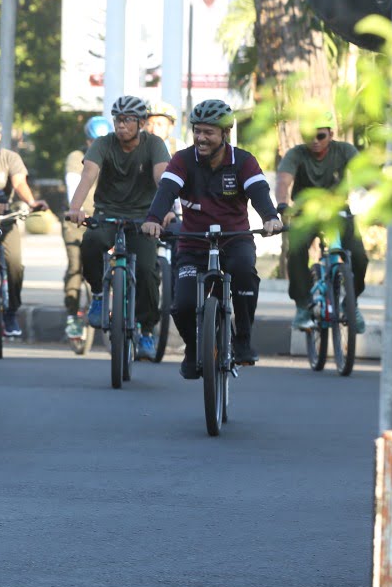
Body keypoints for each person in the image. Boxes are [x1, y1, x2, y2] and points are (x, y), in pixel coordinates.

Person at [142, 99, 284, 376]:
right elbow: (167, 190)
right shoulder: (183, 159)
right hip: (193, 241)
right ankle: (194, 348)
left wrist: (270, 218)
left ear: (224, 134)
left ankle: (242, 339)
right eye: (197, 131)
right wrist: (153, 219)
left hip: (235, 239)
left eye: (208, 132)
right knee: (181, 306)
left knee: (244, 273)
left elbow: (259, 193)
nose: (201, 138)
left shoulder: (243, 161)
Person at [66, 95, 170, 359]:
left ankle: (146, 331)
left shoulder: (154, 145)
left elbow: (161, 177)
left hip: (144, 217)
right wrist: (76, 208)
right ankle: (99, 295)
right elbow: (88, 174)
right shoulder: (103, 144)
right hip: (107, 214)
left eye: (127, 120)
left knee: (147, 270)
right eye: (117, 120)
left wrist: (166, 210)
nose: (121, 125)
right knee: (90, 243)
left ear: (142, 123)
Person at [277, 113, 368, 333]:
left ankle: (351, 304)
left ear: (331, 134)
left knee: (359, 256)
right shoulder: (296, 154)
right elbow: (283, 180)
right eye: (309, 135)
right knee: (296, 251)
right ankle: (302, 306)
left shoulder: (344, 150)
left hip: (338, 212)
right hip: (305, 213)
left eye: (320, 135)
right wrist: (282, 204)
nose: (315, 140)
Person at [0, 113, 47, 337]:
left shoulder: (10, 158)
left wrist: (31, 202)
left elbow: (19, 183)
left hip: (3, 220)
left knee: (15, 263)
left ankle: (10, 312)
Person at [62, 115, 113, 323]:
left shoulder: (115, 156)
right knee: (76, 266)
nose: (98, 145)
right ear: (87, 141)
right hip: (80, 220)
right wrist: (78, 209)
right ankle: (72, 317)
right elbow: (73, 182)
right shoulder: (77, 157)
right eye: (94, 141)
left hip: (107, 219)